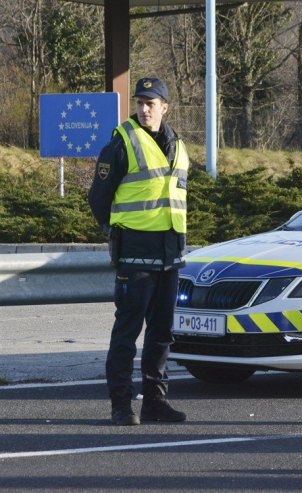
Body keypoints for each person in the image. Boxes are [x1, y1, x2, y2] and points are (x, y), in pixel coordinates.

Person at [88, 77, 189, 426]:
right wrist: (115, 233)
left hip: (170, 255)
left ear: (165, 107)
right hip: (135, 254)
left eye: (151, 103)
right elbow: (98, 198)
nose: (144, 109)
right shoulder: (121, 143)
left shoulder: (178, 144)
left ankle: (155, 404)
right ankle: (121, 405)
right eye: (140, 102)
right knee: (127, 333)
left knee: (162, 334)